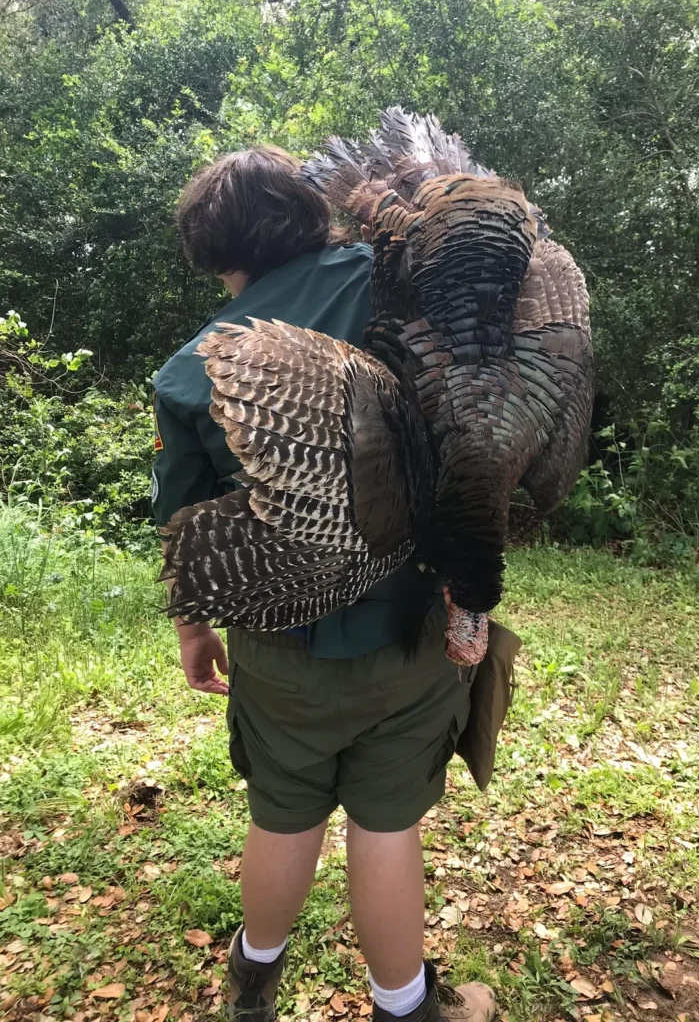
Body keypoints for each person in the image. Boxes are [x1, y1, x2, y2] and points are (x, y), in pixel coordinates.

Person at [152, 146, 497, 1022]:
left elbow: (187, 521)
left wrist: (196, 632)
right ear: (313, 214)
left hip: (280, 641)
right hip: (412, 631)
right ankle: (404, 1007)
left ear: (214, 250)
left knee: (283, 810)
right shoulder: (398, 279)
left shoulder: (193, 365)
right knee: (385, 828)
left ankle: (252, 980)